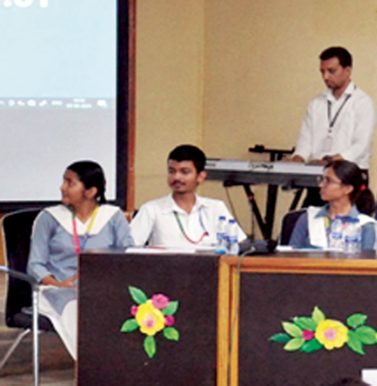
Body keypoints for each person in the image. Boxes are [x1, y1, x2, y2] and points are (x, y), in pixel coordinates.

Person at [27, 160, 133, 359]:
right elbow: (35, 264)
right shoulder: (49, 217)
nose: (62, 187)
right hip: (57, 290)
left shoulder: (113, 216)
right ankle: (93, 368)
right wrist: (58, 283)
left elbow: (127, 256)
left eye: (70, 183)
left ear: (91, 191)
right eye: (64, 181)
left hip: (103, 287)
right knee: (77, 308)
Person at [287, 46, 376, 206]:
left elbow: (360, 146)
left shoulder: (362, 102)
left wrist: (330, 161)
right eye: (322, 72)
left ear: (347, 70)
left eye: (331, 71)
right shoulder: (316, 103)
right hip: (319, 175)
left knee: (346, 225)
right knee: (310, 222)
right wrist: (299, 157)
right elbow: (305, 139)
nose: (326, 77)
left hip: (349, 176)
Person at [130, 144, 246, 247]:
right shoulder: (151, 210)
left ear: (201, 176)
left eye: (184, 172)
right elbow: (128, 249)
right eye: (171, 171)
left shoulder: (216, 208)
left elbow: (239, 245)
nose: (176, 177)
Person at [288, 160, 377, 251]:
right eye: (322, 179)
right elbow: (290, 256)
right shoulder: (308, 217)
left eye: (328, 181)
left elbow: (365, 262)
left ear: (347, 189)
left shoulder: (364, 225)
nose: (321, 185)